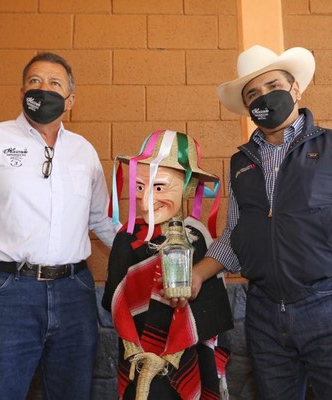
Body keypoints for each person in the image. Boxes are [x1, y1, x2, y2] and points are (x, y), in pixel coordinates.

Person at [176, 45, 332, 399]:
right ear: (248, 108)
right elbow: (236, 236)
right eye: (253, 94)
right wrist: (199, 274)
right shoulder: (241, 163)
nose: (264, 97)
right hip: (265, 314)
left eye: (272, 86)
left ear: (296, 90)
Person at [0, 52, 119, 399]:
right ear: (21, 93)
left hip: (75, 293)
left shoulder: (84, 152)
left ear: (71, 100)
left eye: (54, 83)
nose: (43, 88)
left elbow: (100, 219)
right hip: (7, 293)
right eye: (35, 81)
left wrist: (148, 250)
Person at [102, 130, 233, 399]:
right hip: (137, 354)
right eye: (140, 186)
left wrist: (174, 352)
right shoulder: (126, 239)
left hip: (186, 355)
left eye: (159, 187)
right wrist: (134, 349)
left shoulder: (197, 237)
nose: (146, 197)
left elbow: (210, 306)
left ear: (186, 188)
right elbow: (117, 299)